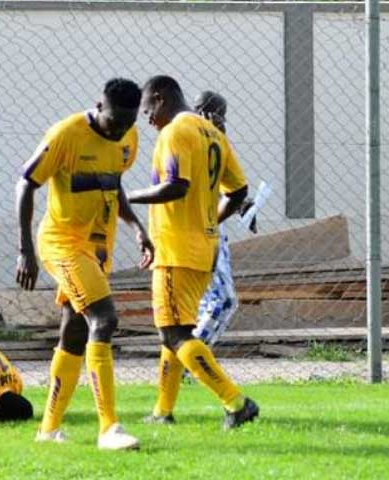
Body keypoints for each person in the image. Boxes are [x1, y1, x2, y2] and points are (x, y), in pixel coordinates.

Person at [16, 78, 154, 450]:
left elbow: (114, 184)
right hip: (61, 244)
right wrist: (25, 249)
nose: (120, 130)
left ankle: (47, 429)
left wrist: (137, 227)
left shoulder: (128, 138)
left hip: (96, 248)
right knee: (104, 319)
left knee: (75, 331)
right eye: (114, 122)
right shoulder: (67, 133)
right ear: (98, 106)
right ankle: (109, 427)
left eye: (128, 123)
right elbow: (26, 184)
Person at [128, 76, 259, 430]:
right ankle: (162, 410)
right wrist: (210, 223)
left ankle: (236, 402)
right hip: (205, 248)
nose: (146, 118)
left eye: (147, 108)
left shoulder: (175, 132)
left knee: (174, 333)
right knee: (173, 331)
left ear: (159, 97)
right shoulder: (212, 132)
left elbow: (175, 186)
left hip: (176, 247)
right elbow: (239, 189)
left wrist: (127, 197)